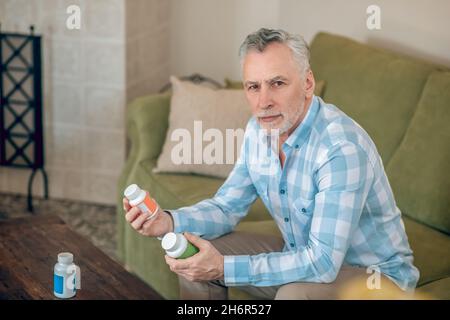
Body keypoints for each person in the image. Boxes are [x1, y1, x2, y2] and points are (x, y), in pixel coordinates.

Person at [123, 28, 419, 300]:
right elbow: (227, 207)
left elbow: (324, 263)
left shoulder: (340, 149)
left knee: (293, 294)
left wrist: (224, 267)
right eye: (253, 87)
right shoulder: (259, 130)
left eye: (277, 83)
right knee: (196, 255)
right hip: (302, 254)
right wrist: (168, 221)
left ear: (307, 83)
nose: (263, 101)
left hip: (374, 279)